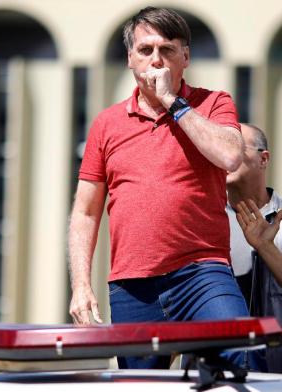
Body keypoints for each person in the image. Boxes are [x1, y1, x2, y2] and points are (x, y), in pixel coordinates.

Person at [68, 6, 248, 369]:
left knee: (238, 356)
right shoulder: (107, 124)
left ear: (186, 57)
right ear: (130, 59)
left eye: (167, 49)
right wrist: (80, 284)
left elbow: (230, 156)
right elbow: (86, 212)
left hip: (201, 273)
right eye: (145, 50)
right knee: (141, 386)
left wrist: (173, 102)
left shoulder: (213, 103)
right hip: (133, 286)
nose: (156, 60)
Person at [226, 123, 282, 372]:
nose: (225, 155)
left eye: (235, 146)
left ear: (263, 159)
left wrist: (265, 248)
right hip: (217, 371)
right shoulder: (203, 223)